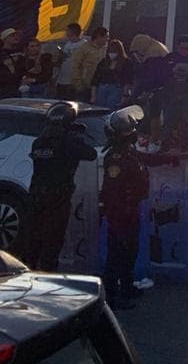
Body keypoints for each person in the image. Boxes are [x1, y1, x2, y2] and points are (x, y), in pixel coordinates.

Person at [19, 102, 97, 270]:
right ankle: (46, 278)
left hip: (36, 196)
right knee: (52, 241)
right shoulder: (67, 141)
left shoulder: (39, 142)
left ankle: (28, 272)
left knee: (33, 239)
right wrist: (75, 137)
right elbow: (91, 154)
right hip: (57, 198)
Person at [99, 106, 150, 308]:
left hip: (131, 209)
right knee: (117, 253)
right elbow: (113, 189)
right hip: (120, 212)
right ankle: (111, 296)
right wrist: (121, 209)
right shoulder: (116, 157)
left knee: (130, 251)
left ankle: (127, 287)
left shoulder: (130, 154)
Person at [66, 27, 108, 103]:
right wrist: (78, 84)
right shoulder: (84, 48)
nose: (107, 39)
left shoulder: (105, 49)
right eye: (106, 37)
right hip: (85, 86)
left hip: (98, 87)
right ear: (98, 36)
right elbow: (74, 66)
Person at [91, 38, 132, 109]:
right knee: (98, 110)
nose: (112, 54)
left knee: (111, 110)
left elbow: (127, 80)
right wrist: (93, 95)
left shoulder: (126, 63)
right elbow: (95, 79)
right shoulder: (104, 62)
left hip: (117, 89)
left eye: (114, 51)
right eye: (110, 51)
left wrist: (124, 96)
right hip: (102, 88)